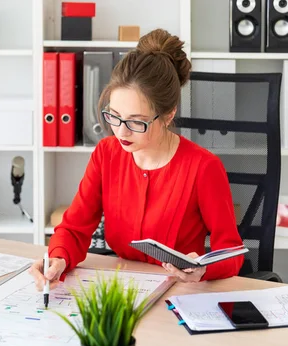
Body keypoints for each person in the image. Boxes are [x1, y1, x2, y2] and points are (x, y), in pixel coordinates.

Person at [30, 28, 245, 289]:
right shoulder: (106, 154)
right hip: (123, 287)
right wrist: (58, 258)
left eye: (137, 122)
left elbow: (230, 250)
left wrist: (203, 267)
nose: (120, 131)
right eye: (114, 115)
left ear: (168, 115)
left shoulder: (203, 167)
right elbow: (74, 229)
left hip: (181, 292)